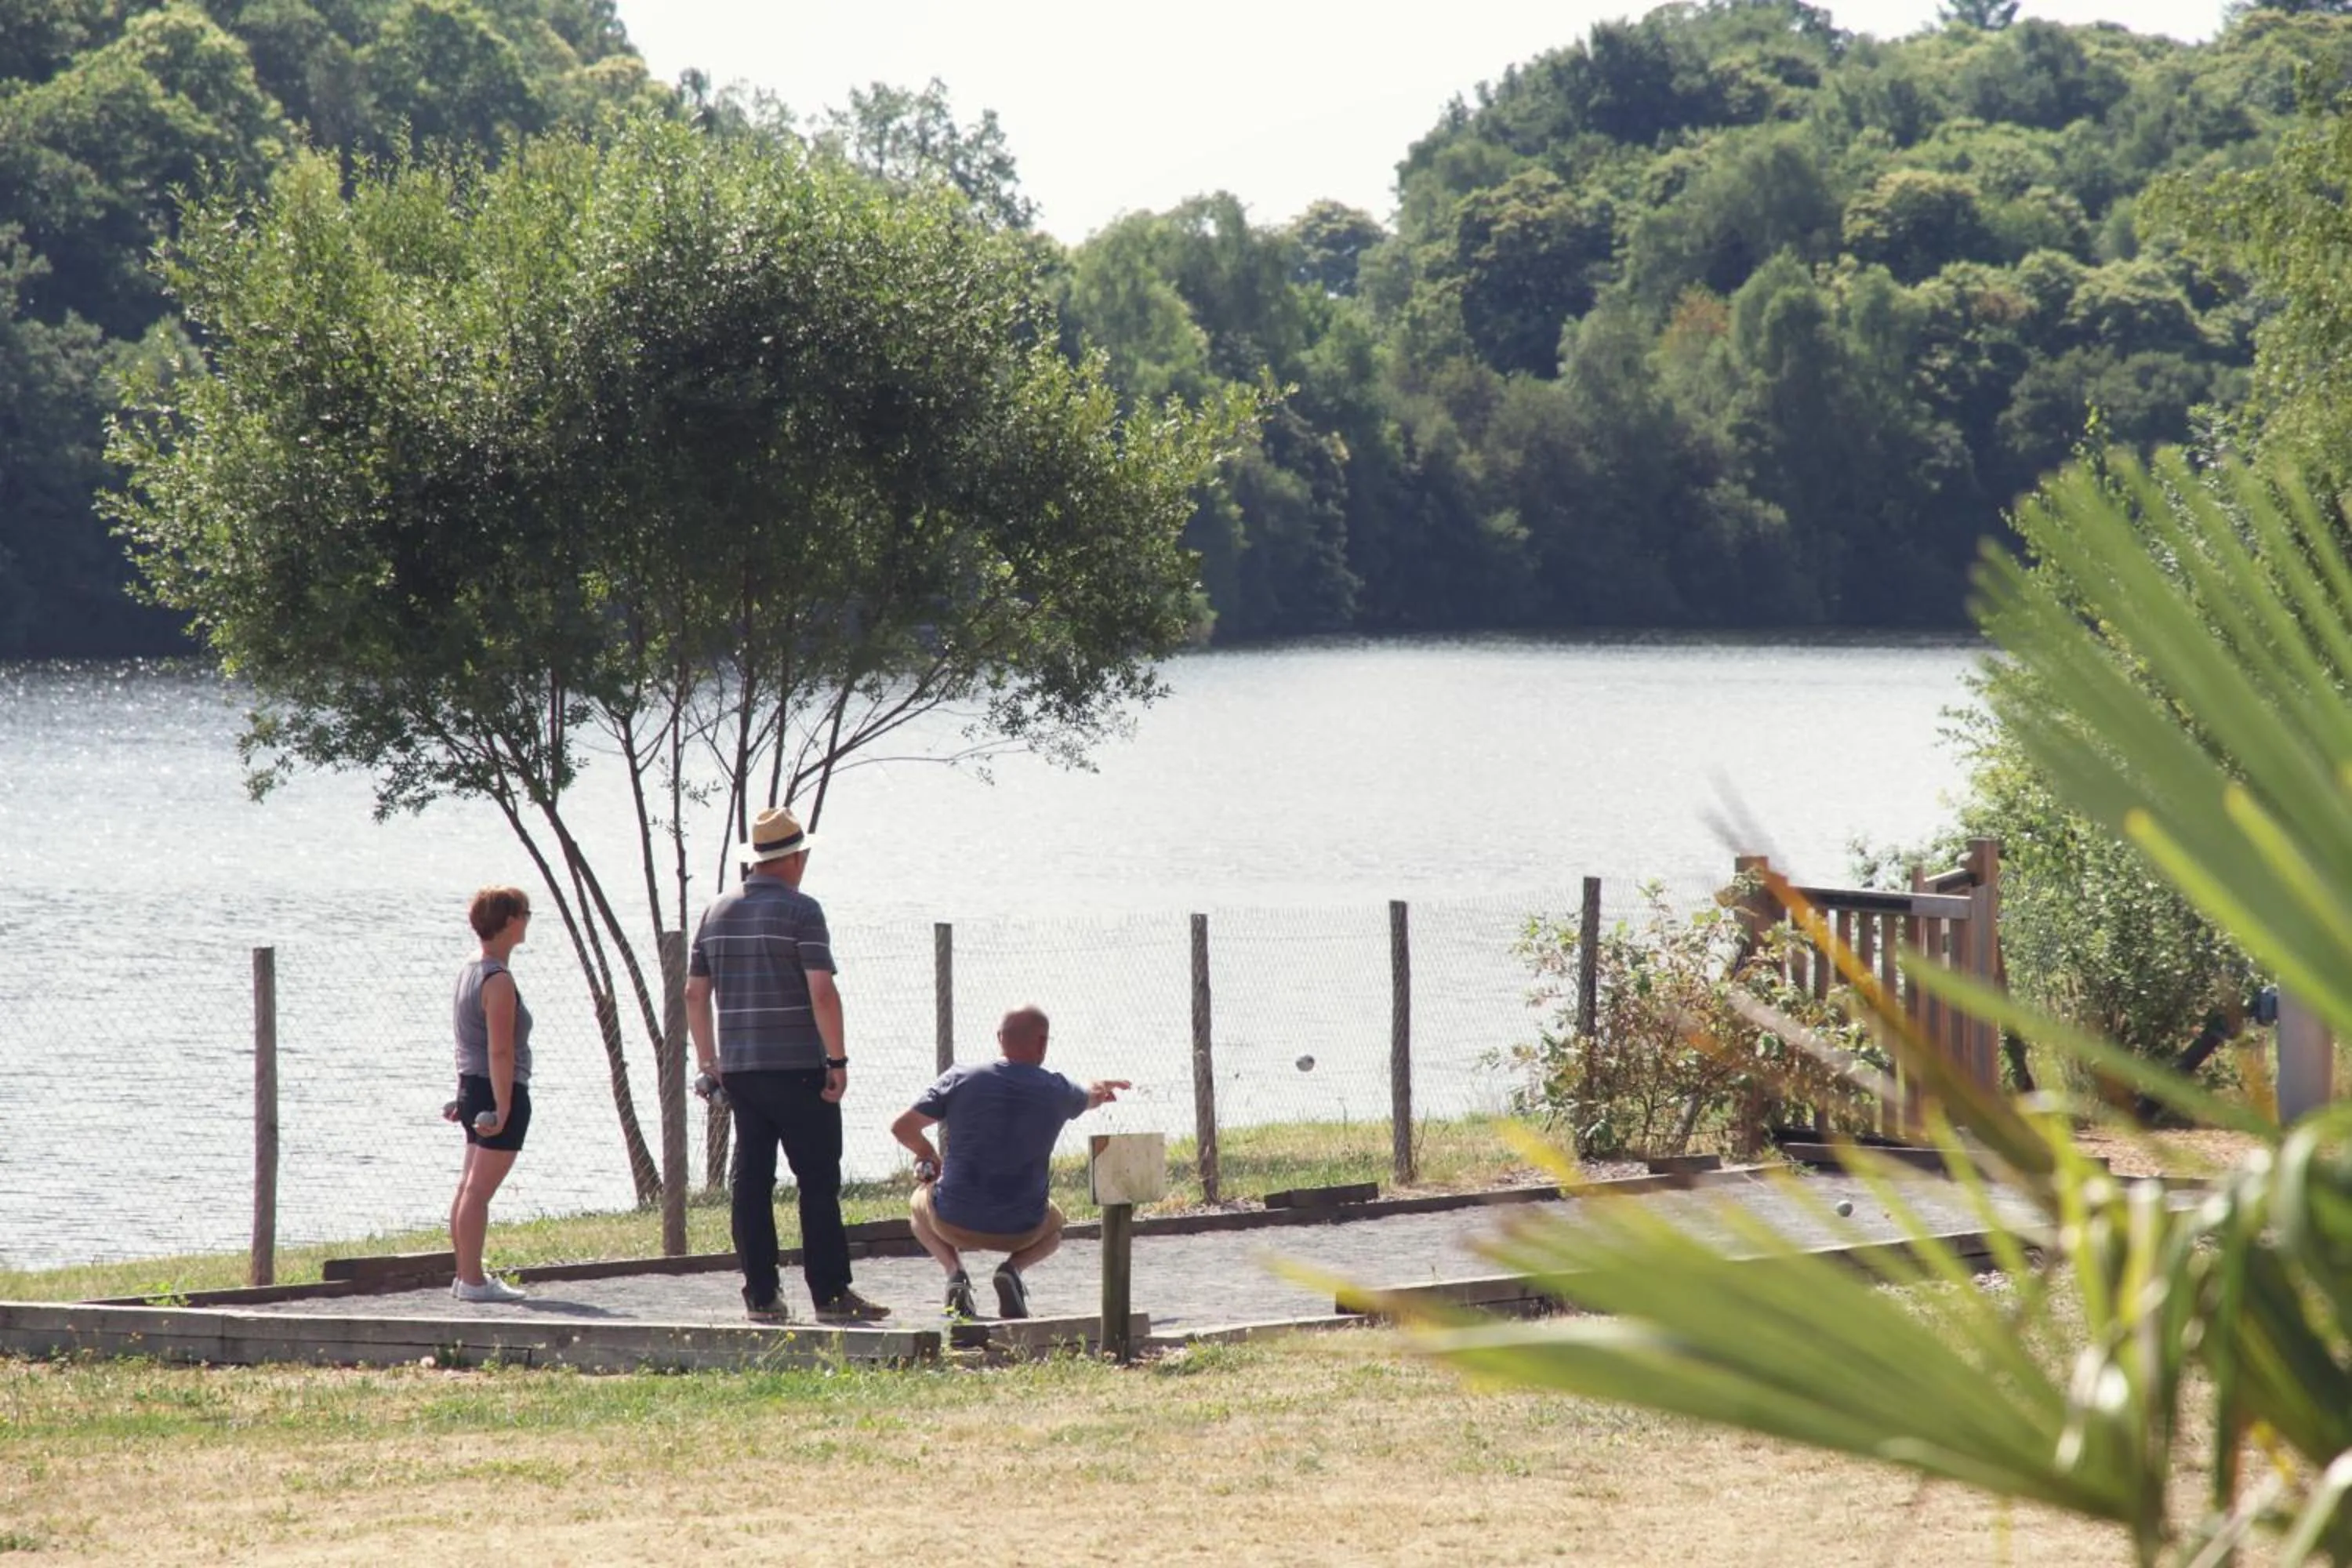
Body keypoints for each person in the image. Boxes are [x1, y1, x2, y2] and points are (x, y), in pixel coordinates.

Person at [687, 805, 888, 1324]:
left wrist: (709, 1061)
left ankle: (761, 1294)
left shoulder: (715, 912)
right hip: (799, 1066)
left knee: (751, 1181)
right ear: (796, 858)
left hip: (740, 1071)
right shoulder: (803, 911)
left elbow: (694, 994)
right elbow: (822, 992)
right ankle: (830, 1294)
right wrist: (837, 1060)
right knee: (817, 1182)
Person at [891, 1005, 1129, 1319]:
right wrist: (1101, 1085)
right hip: (1023, 1228)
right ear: (1042, 1043)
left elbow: (902, 1127)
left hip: (952, 1221)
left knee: (917, 1205)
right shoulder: (1058, 1090)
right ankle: (1012, 1269)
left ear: (1000, 1038)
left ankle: (954, 1273)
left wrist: (927, 1153)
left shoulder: (960, 1078)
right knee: (1056, 1226)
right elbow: (1092, 1095)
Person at [447, 884, 535, 1304]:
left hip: (472, 1086)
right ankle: (472, 1281)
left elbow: (468, 1040)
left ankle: (465, 1274)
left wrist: (464, 1096)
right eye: (526, 914)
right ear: (510, 921)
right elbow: (500, 1050)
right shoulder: (497, 980)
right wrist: (503, 1107)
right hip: (496, 1088)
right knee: (478, 1191)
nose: (528, 922)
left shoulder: (470, 968)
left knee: (468, 1186)